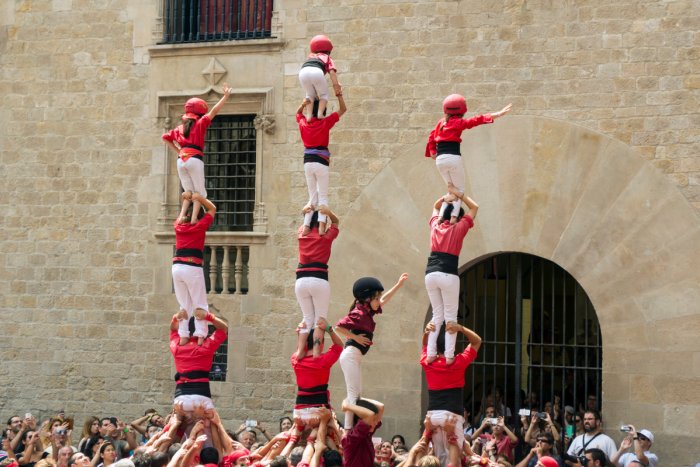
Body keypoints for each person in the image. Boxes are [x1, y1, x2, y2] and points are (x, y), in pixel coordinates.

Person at [334, 274, 408, 429]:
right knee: (353, 397)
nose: (378, 301)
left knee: (357, 396)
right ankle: (348, 431)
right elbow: (338, 327)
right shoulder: (359, 313)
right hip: (350, 356)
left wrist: (398, 284)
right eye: (376, 298)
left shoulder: (368, 310)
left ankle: (352, 427)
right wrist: (356, 337)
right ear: (367, 299)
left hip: (355, 358)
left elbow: (384, 300)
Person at [425, 95, 511, 223]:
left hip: (440, 160)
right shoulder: (458, 123)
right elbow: (477, 120)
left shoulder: (440, 123)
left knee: (451, 189)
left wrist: (432, 152)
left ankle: (441, 217)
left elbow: (431, 137)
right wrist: (498, 114)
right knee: (459, 190)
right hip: (453, 158)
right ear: (462, 111)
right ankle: (453, 218)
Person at [162, 84, 232, 224]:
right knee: (200, 193)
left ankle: (182, 216)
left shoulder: (179, 128)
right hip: (194, 159)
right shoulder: (200, 123)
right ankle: (194, 219)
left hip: (181, 160)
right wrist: (225, 97)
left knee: (188, 191)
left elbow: (165, 137)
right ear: (200, 112)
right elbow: (214, 111)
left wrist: (178, 151)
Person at [424, 185, 478, 364]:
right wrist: (459, 195)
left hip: (430, 274)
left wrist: (447, 198)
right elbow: (474, 208)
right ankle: (448, 356)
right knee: (451, 317)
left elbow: (435, 206)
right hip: (448, 274)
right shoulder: (459, 228)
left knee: (437, 315)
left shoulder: (434, 226)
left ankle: (431, 353)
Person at [420, 321, 481, 466]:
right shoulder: (458, 362)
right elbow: (477, 341)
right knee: (455, 460)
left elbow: (424, 346)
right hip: (452, 416)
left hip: (433, 417)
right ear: (451, 346)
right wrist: (460, 328)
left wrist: (427, 333)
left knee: (438, 459)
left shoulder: (427, 362)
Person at [296, 93, 346, 235]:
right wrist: (339, 95)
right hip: (321, 161)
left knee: (312, 196)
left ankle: (306, 226)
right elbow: (343, 109)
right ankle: (322, 227)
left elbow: (297, 114)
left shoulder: (304, 123)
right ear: (323, 112)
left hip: (307, 162)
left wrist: (303, 104)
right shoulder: (325, 122)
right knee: (323, 196)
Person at [294, 207, 340, 359]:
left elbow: (305, 223)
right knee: (320, 319)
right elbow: (336, 222)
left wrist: (306, 211)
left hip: (300, 281)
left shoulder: (302, 233)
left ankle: (300, 350)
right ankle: (317, 353)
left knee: (307, 317)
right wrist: (328, 212)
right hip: (319, 279)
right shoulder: (326, 237)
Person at [171, 193, 217, 345]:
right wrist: (201, 198)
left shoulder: (178, 225)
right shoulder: (199, 226)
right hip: (192, 267)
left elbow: (183, 213)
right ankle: (200, 335)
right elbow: (213, 209)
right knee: (200, 304)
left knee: (184, 304)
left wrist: (188, 199)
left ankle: (183, 335)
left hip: (177, 267)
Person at [169, 308, 229, 418]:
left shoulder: (177, 347)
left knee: (177, 430)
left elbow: (173, 331)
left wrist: (176, 318)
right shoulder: (206, 346)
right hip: (201, 395)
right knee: (207, 430)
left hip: (180, 397)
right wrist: (209, 317)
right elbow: (224, 328)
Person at [290, 318, 343, 435]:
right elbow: (339, 345)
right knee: (334, 436)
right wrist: (329, 329)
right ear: (320, 343)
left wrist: (300, 334)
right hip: (319, 411)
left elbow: (300, 350)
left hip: (298, 414)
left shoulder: (295, 360)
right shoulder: (323, 360)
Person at [298, 35, 341, 122]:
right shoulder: (327, 57)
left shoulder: (311, 56)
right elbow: (332, 72)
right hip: (317, 71)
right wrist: (336, 86)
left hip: (302, 72)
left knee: (309, 94)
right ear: (328, 49)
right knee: (324, 94)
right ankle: (320, 114)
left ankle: (309, 117)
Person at [341, 398, 384, 467]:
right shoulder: (351, 438)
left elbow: (381, 407)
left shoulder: (367, 434)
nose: (376, 423)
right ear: (360, 420)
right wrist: (347, 406)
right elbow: (370, 415)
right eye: (374, 420)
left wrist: (356, 398)